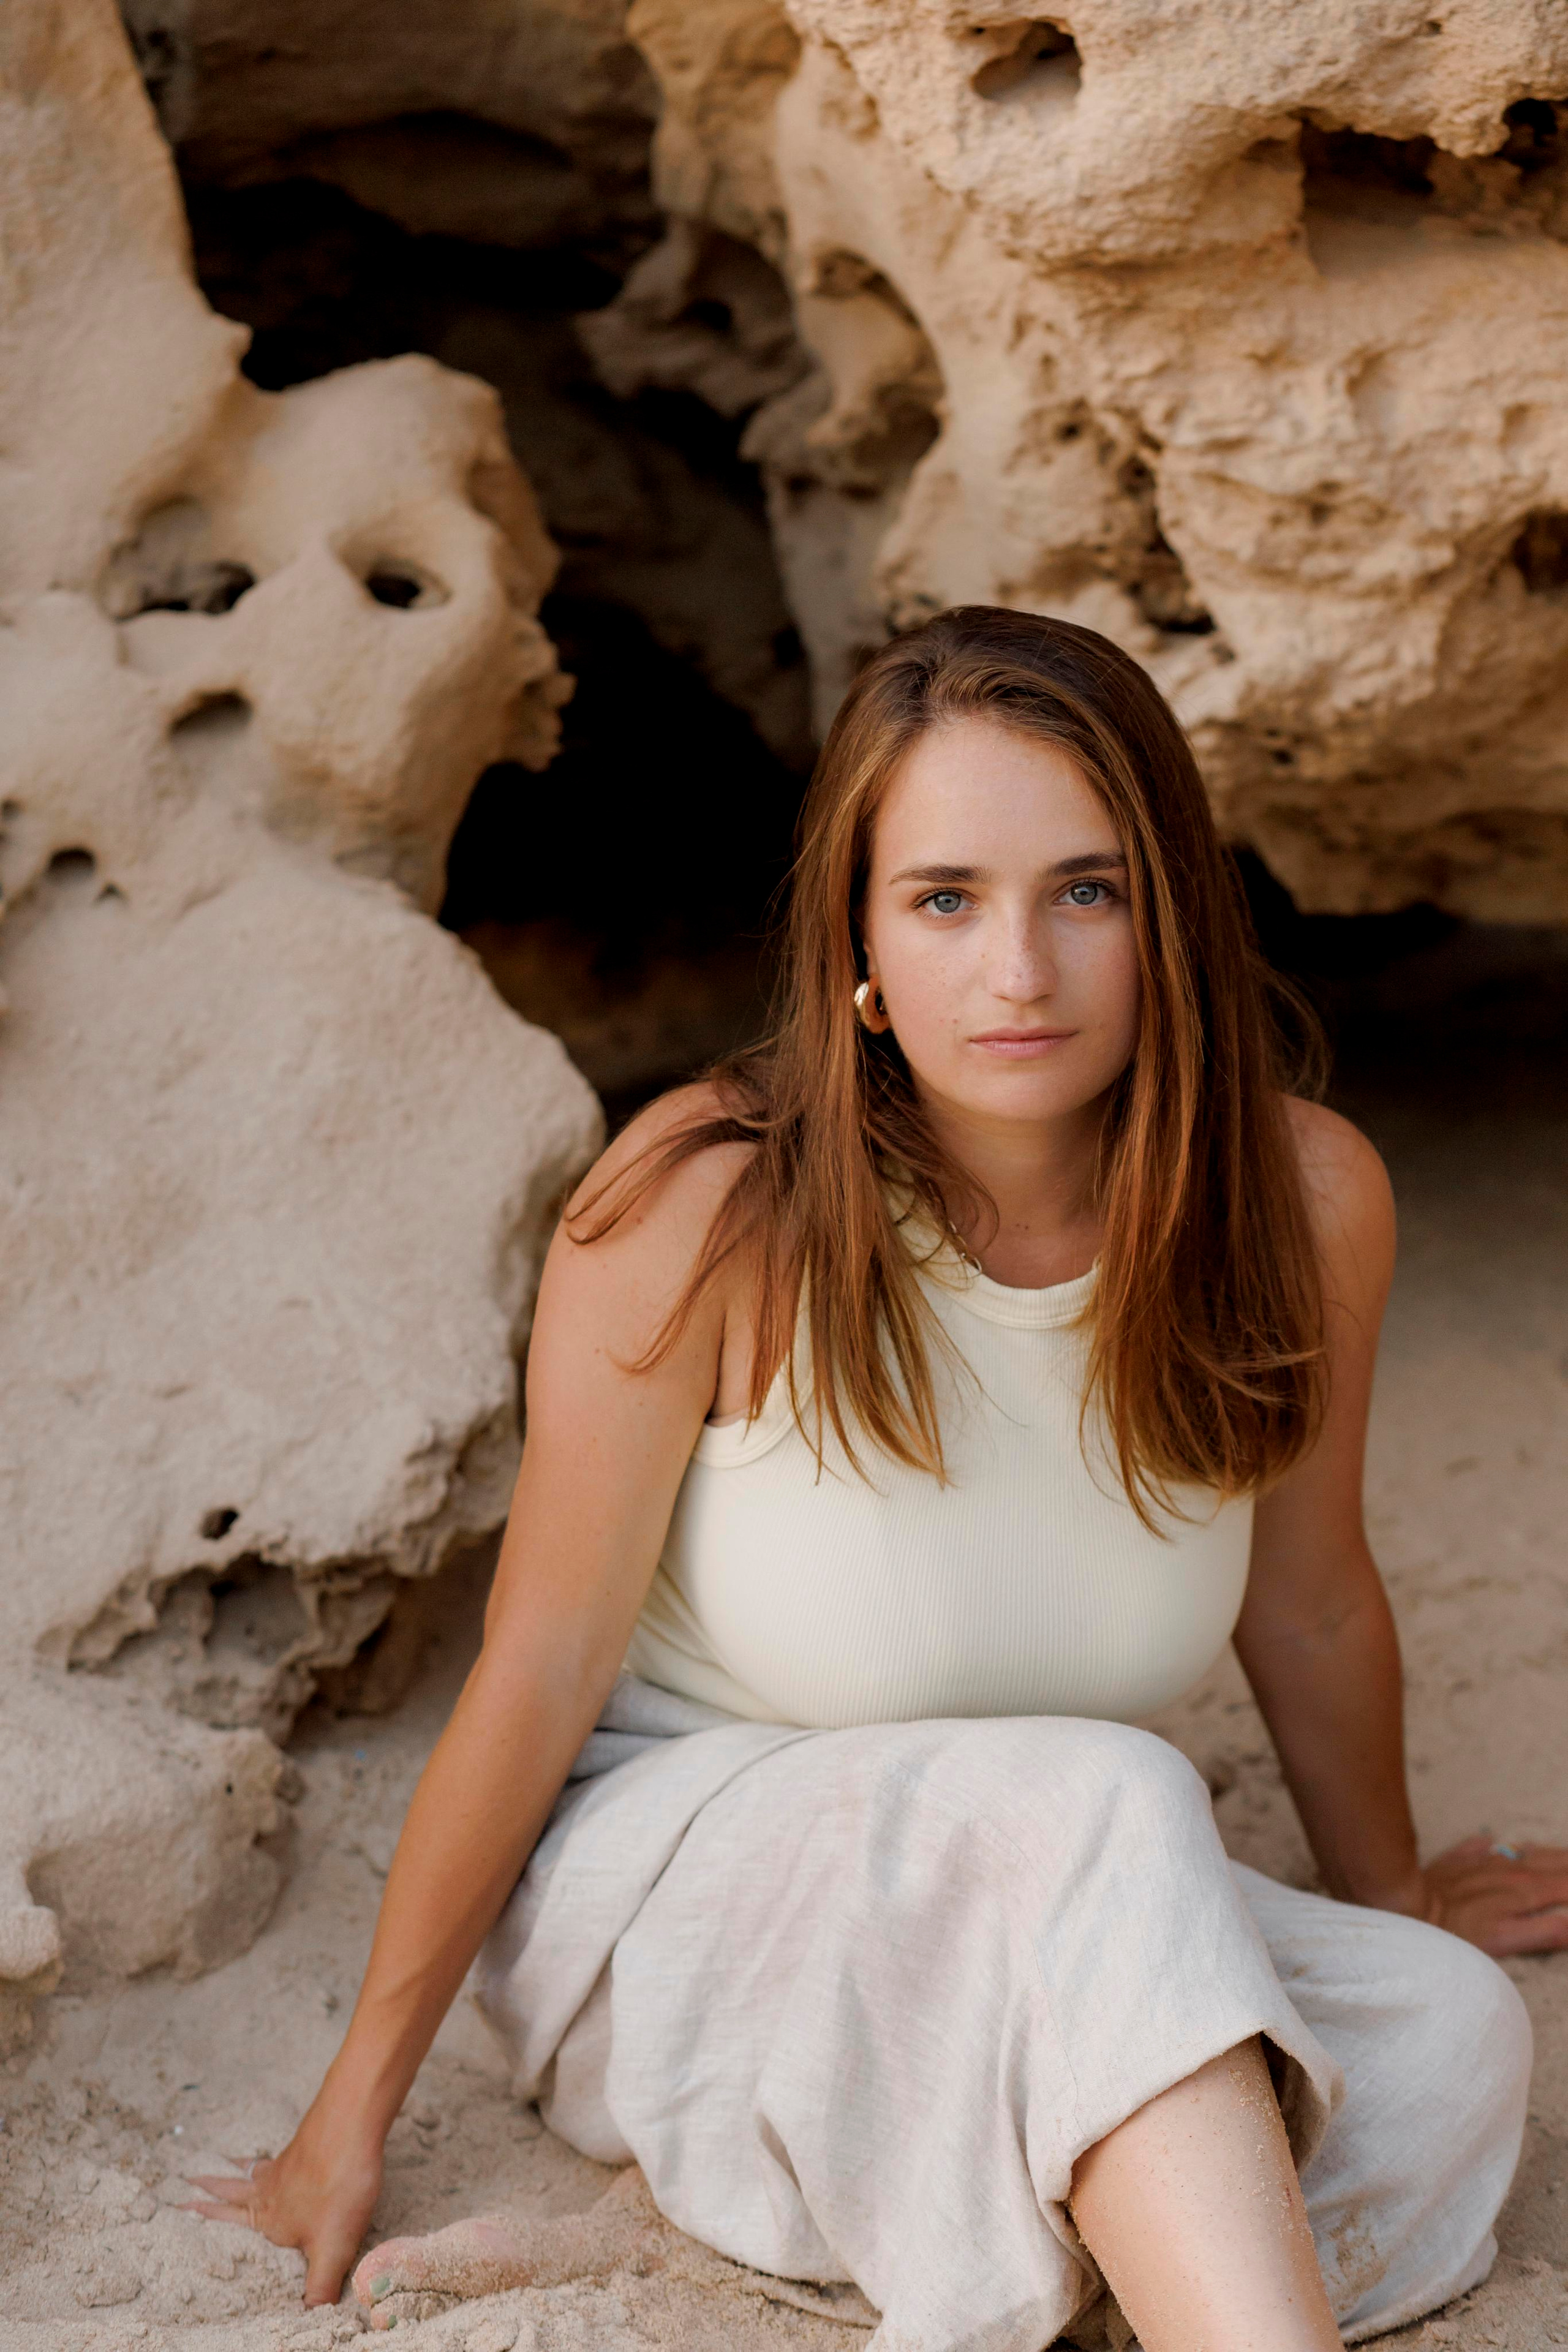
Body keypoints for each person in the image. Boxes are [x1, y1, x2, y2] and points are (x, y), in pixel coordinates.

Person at [192, 607, 1568, 2350]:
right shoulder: (705, 1200)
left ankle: (754, 2234)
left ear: (1175, 920)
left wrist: (1388, 1901)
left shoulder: (1301, 1206)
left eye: (1088, 891)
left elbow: (1309, 1602)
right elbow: (535, 1668)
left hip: (1059, 1893)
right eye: (945, 900)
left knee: (1451, 2034)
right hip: (688, 1896)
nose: (1019, 973)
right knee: (1114, 1801)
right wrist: (348, 2117)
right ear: (857, 944)